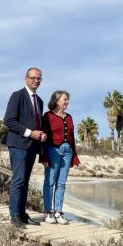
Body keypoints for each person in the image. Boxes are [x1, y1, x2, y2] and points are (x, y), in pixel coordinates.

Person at [2, 68, 46, 228]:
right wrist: (30, 133)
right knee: (18, 180)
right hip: (18, 145)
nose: (36, 81)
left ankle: (22, 214)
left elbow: (36, 122)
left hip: (32, 147)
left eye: (39, 78)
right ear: (25, 78)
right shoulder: (17, 95)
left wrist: (41, 135)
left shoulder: (39, 101)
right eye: (33, 78)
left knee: (25, 181)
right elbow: (9, 120)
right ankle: (14, 216)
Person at [41, 90, 80, 225]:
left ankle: (58, 211)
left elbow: (72, 138)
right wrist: (43, 157)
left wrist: (75, 158)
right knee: (50, 182)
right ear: (57, 101)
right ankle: (48, 211)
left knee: (62, 183)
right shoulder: (47, 116)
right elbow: (43, 138)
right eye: (65, 99)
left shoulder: (69, 117)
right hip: (52, 150)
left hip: (67, 151)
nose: (67, 102)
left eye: (67, 100)